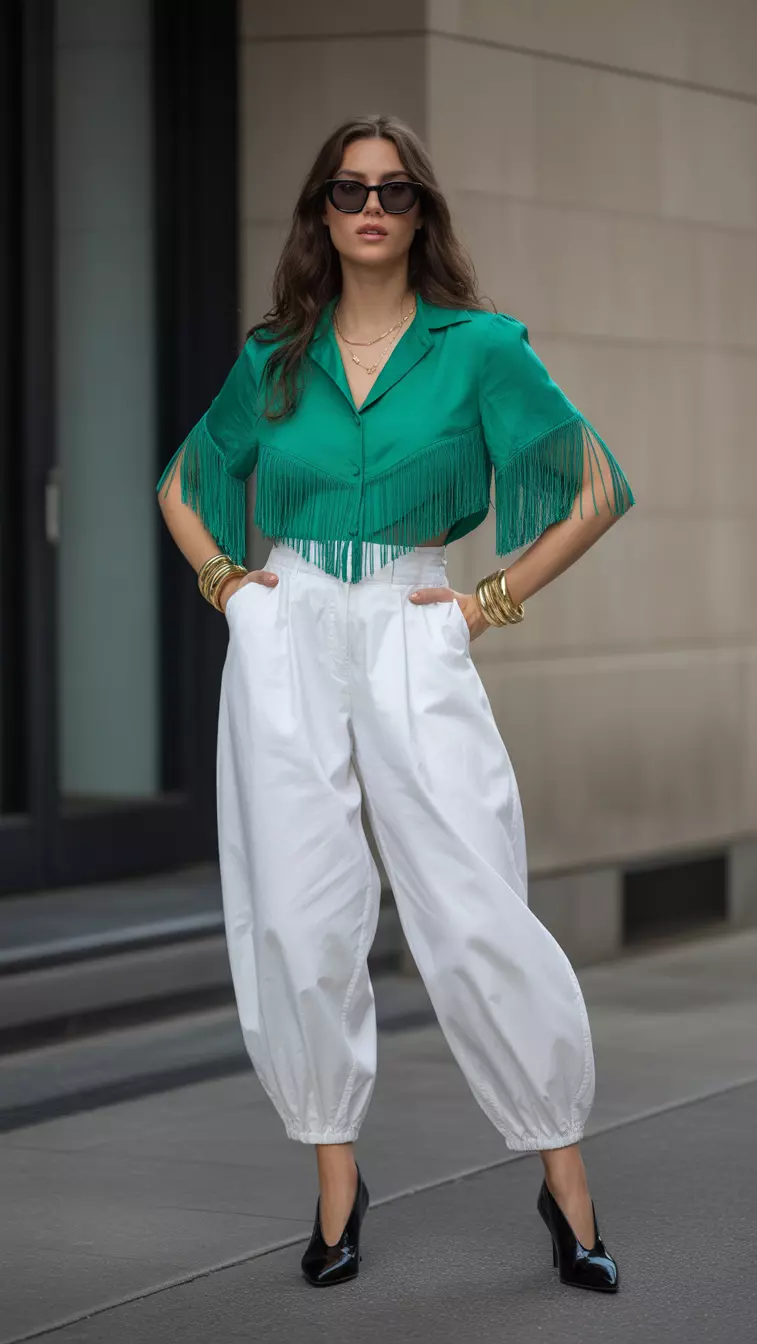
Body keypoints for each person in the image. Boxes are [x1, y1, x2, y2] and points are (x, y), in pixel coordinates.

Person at [156, 113, 634, 1293]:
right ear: (320, 212)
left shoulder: (480, 349)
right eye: (349, 189)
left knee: (473, 899)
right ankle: (336, 1184)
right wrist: (230, 588)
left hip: (415, 622)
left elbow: (594, 487)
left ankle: (566, 1181)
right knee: (299, 910)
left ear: (423, 212)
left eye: (395, 190)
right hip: (288, 626)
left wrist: (487, 604)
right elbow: (183, 485)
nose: (371, 207)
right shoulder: (276, 356)